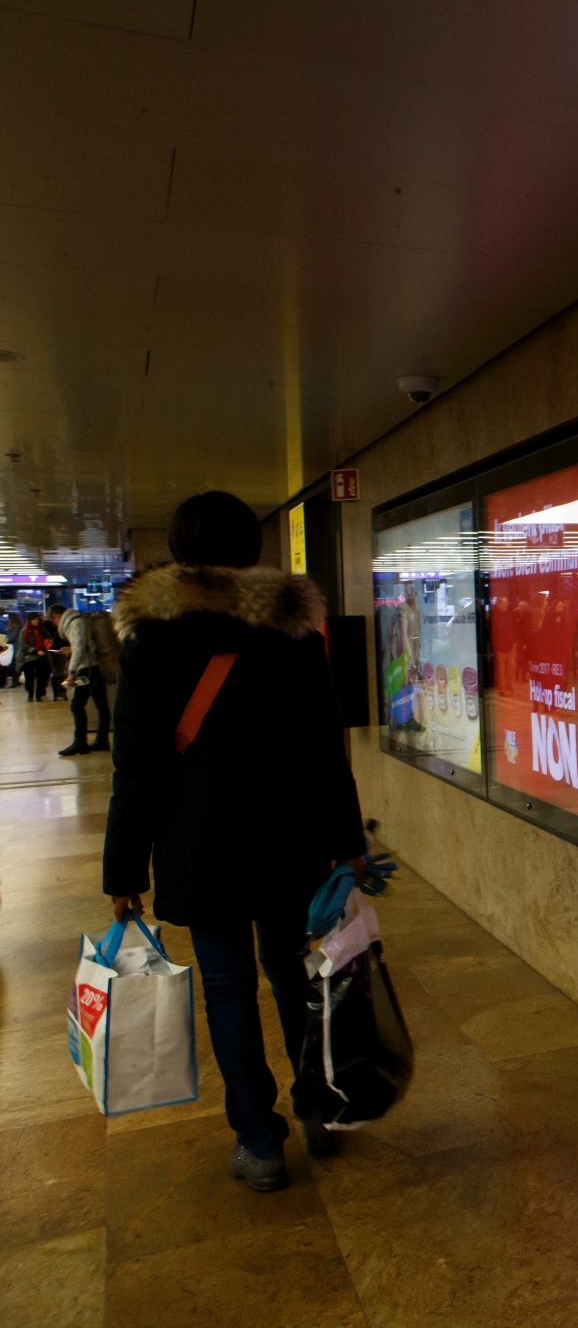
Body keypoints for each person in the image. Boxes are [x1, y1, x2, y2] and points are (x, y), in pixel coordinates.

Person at [102, 490, 366, 1192]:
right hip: (287, 840)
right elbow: (323, 748)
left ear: (180, 550)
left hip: (200, 845)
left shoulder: (150, 639)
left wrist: (122, 869)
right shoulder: (292, 632)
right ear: (253, 547)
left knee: (228, 988)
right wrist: (348, 841)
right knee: (291, 973)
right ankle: (316, 1106)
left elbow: (138, 765)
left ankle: (259, 1141)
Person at [55, 601, 110, 755]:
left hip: (86, 669)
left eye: (53, 621)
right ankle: (102, 740)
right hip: (95, 667)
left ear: (57, 617)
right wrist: (70, 649)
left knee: (76, 706)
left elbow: (80, 649)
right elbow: (85, 645)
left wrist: (71, 671)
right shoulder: (81, 620)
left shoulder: (75, 623)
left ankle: (80, 742)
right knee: (101, 705)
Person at [18, 610, 54, 700]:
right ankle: (30, 694)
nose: (36, 621)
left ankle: (39, 694)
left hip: (42, 656)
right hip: (28, 657)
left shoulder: (42, 630)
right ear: (30, 620)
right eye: (34, 619)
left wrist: (47, 645)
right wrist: (35, 651)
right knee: (29, 677)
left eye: (37, 619)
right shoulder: (24, 631)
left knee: (42, 676)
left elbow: (50, 639)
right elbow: (24, 645)